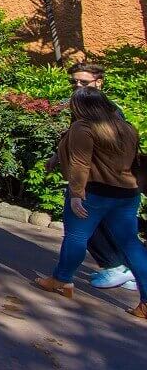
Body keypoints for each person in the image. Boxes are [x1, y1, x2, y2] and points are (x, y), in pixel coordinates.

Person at [33, 86, 147, 319]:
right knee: (130, 245)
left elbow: (80, 164)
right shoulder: (126, 128)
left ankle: (61, 280)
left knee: (76, 237)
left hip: (94, 193)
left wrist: (76, 195)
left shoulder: (83, 128)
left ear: (80, 107)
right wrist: (56, 158)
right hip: (127, 194)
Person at [65, 63, 139, 293]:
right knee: (116, 231)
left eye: (84, 82)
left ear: (99, 82)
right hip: (111, 183)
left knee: (85, 227)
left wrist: (78, 189)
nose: (78, 86)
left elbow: (97, 150)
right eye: (74, 82)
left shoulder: (108, 111)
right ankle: (124, 269)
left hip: (100, 182)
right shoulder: (84, 106)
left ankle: (113, 266)